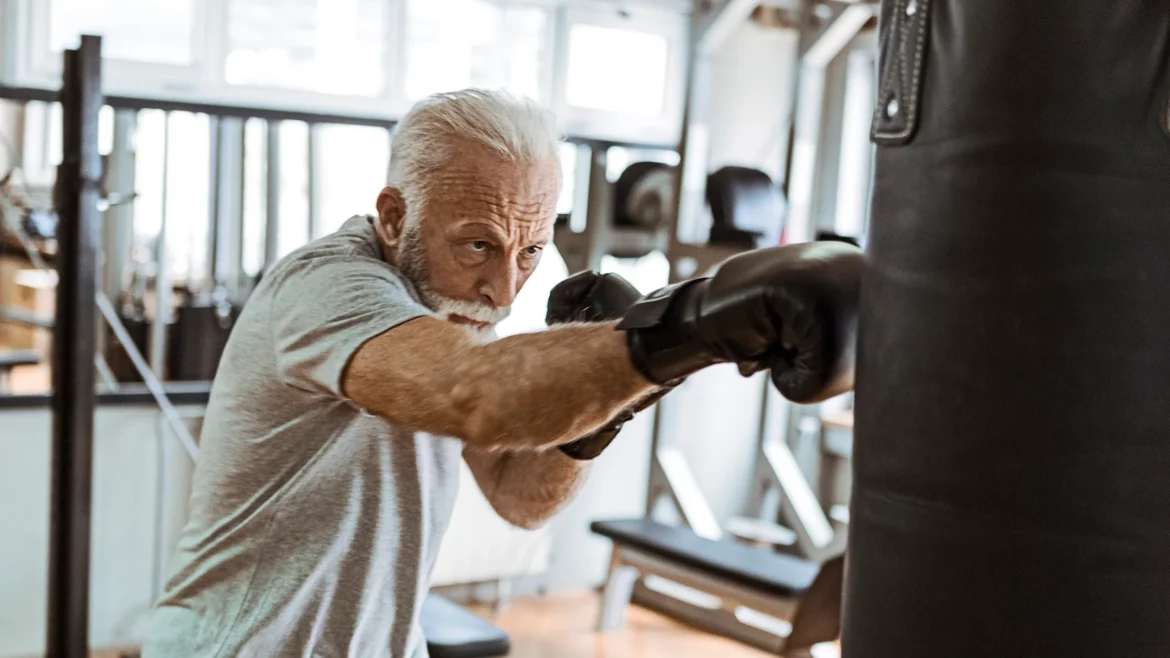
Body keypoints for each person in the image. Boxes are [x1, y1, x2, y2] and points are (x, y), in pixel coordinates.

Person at [143, 89, 862, 657]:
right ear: (393, 217)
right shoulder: (328, 287)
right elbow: (475, 394)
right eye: (478, 245)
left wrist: (611, 403)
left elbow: (521, 496)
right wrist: (684, 328)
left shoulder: (452, 306)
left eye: (530, 251)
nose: (505, 289)